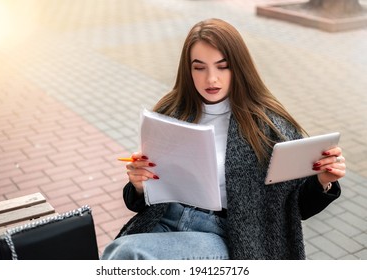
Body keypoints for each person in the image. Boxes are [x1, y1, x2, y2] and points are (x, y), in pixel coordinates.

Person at [101, 18, 346, 260]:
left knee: (126, 253)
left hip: (229, 237)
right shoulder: (170, 112)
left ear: (238, 67)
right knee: (118, 252)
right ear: (188, 70)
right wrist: (139, 185)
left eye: (222, 66)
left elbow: (296, 209)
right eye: (199, 67)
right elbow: (142, 200)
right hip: (166, 220)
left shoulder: (269, 125)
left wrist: (323, 181)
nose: (211, 79)